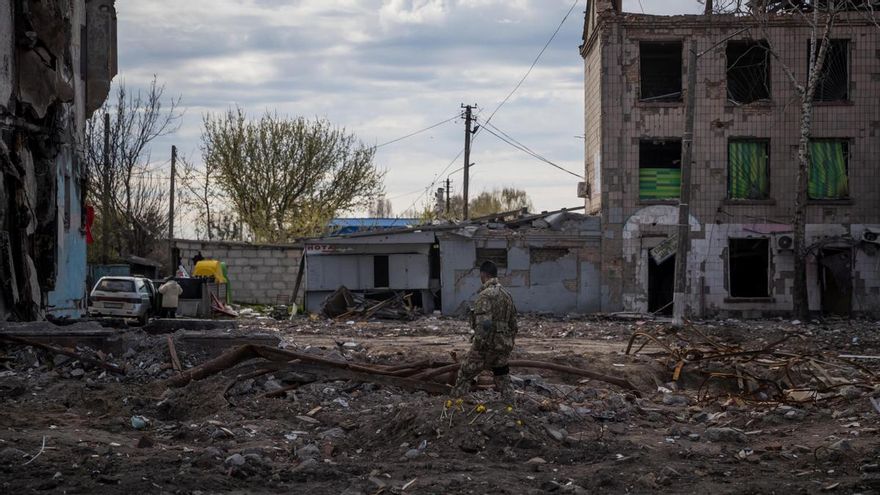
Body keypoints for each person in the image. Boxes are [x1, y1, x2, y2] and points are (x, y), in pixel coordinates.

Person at [450, 260, 518, 400]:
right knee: (502, 375)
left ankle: (455, 406)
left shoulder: (485, 296)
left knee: (465, 373)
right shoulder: (507, 295)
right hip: (503, 345)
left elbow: (484, 325)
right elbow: (514, 325)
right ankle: (511, 405)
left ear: (483, 274)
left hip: (487, 346)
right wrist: (508, 344)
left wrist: (477, 348)